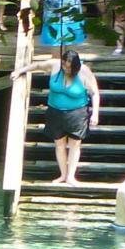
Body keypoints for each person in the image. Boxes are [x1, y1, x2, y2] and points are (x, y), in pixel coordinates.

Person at [40, 50, 100, 183]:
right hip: (55, 112)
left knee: (75, 144)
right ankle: (63, 174)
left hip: (77, 113)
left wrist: (95, 113)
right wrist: (20, 71)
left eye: (69, 66)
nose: (66, 69)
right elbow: (37, 66)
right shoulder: (56, 66)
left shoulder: (84, 71)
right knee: (59, 144)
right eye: (64, 65)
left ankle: (71, 176)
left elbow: (94, 93)